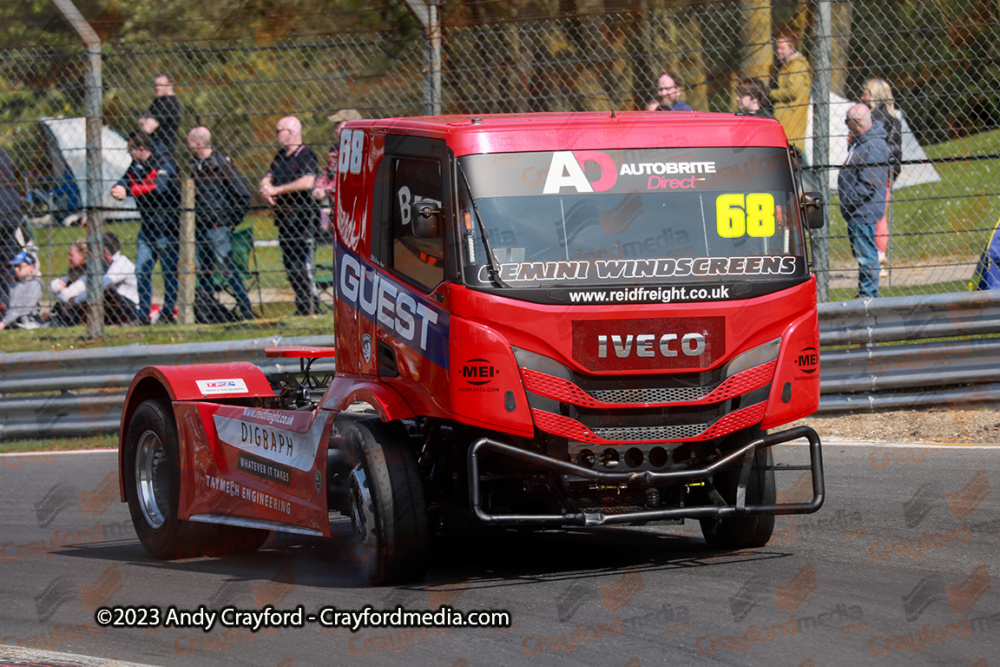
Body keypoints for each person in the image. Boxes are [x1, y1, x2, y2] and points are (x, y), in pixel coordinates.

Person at [111, 129, 181, 324]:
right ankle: (143, 315)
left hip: (168, 228)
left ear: (141, 149)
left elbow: (160, 187)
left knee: (168, 272)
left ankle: (168, 313)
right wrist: (118, 188)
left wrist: (130, 191)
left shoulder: (164, 162)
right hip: (148, 228)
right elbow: (125, 179)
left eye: (130, 150)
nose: (129, 154)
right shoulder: (137, 165)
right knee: (142, 271)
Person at [187, 126, 255, 322]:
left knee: (228, 271)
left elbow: (243, 194)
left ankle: (246, 311)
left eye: (190, 143)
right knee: (204, 273)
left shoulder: (221, 165)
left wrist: (231, 222)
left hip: (218, 228)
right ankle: (207, 311)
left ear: (199, 144)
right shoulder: (194, 166)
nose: (188, 147)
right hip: (199, 229)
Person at [259, 116, 320, 316]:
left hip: (302, 218)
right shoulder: (280, 157)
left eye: (279, 131)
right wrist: (266, 188)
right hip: (284, 219)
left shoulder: (306, 155)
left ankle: (311, 306)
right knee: (289, 264)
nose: (277, 135)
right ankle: (301, 306)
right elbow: (268, 178)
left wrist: (278, 190)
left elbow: (307, 182)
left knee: (302, 264)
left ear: (291, 132)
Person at [838, 104, 890, 299]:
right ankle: (866, 292)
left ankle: (869, 294)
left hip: (862, 210)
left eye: (847, 122)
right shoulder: (863, 143)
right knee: (863, 253)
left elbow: (869, 184)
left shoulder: (874, 146)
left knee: (866, 255)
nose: (846, 126)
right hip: (857, 210)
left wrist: (849, 200)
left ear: (857, 122)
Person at [861, 77, 903, 276]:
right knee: (881, 215)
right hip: (886, 172)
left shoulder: (870, 118)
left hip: (871, 170)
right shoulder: (894, 118)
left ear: (874, 96)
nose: (862, 97)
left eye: (866, 93)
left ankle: (873, 258)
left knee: (868, 215)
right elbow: (896, 150)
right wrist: (894, 172)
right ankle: (880, 254)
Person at [312, 109, 362, 234]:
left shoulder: (362, 150)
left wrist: (327, 189)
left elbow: (352, 181)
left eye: (338, 123)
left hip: (354, 209)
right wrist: (319, 187)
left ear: (352, 124)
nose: (334, 128)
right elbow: (325, 173)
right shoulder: (335, 149)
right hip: (335, 207)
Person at [76, 232, 141, 325]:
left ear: (104, 250)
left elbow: (101, 285)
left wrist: (75, 300)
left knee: (107, 292)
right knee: (88, 299)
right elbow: (86, 283)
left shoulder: (122, 262)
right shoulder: (104, 265)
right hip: (115, 309)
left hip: (131, 310)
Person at [769, 31, 812, 156]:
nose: (779, 51)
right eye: (778, 47)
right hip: (787, 120)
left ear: (792, 48)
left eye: (782, 48)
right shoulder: (787, 65)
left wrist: (770, 94)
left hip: (792, 121)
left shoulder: (796, 65)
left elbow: (793, 92)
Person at [0, 147, 22, 306]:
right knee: (7, 262)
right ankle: (9, 307)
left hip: (4, 211)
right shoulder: (3, 153)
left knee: (7, 261)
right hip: (12, 210)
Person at [49, 237, 88, 326]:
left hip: (78, 313)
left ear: (83, 255)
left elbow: (67, 296)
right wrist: (62, 290)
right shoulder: (75, 271)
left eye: (72, 255)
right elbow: (53, 284)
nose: (69, 257)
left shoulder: (87, 274)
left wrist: (60, 290)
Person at [0, 251, 43, 330]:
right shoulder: (15, 282)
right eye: (15, 266)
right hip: (10, 320)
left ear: (31, 267)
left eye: (20, 267)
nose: (16, 270)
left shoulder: (35, 284)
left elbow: (21, 309)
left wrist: (3, 323)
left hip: (27, 321)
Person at [145, 71, 182, 157]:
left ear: (170, 85)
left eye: (161, 85)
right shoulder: (159, 100)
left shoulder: (169, 103)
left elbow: (147, 128)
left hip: (162, 153)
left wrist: (145, 120)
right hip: (153, 149)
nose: (157, 87)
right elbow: (143, 121)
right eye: (156, 84)